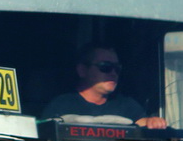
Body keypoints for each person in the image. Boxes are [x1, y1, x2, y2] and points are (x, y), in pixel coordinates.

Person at [40, 44, 168, 128]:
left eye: (117, 68)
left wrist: (152, 122)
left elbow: (142, 123)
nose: (113, 73)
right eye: (105, 67)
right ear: (82, 70)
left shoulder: (128, 106)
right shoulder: (61, 105)